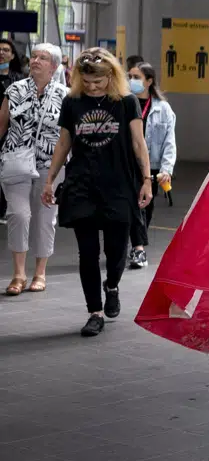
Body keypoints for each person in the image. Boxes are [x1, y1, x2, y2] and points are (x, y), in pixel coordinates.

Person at [41, 49, 151, 337]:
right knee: (87, 253)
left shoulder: (127, 102)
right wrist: (50, 180)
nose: (92, 87)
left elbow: (139, 143)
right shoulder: (72, 102)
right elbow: (64, 143)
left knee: (116, 251)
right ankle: (95, 312)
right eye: (87, 82)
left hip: (119, 185)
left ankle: (112, 285)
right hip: (82, 185)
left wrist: (147, 180)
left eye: (98, 82)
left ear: (111, 76)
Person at [0, 44, 68, 294]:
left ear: (54, 66)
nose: (36, 61)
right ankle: (18, 274)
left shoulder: (65, 95)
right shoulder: (14, 90)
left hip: (50, 165)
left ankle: (40, 273)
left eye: (43, 58)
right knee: (18, 214)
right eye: (35, 56)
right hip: (15, 161)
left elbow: (68, 135)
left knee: (45, 218)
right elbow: (2, 125)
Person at [126, 62, 176, 269]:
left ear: (149, 81)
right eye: (130, 76)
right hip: (127, 164)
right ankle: (139, 248)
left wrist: (167, 169)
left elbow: (169, 141)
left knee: (147, 205)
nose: (132, 81)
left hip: (152, 166)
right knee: (134, 205)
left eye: (137, 77)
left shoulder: (162, 109)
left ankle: (137, 244)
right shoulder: (124, 103)